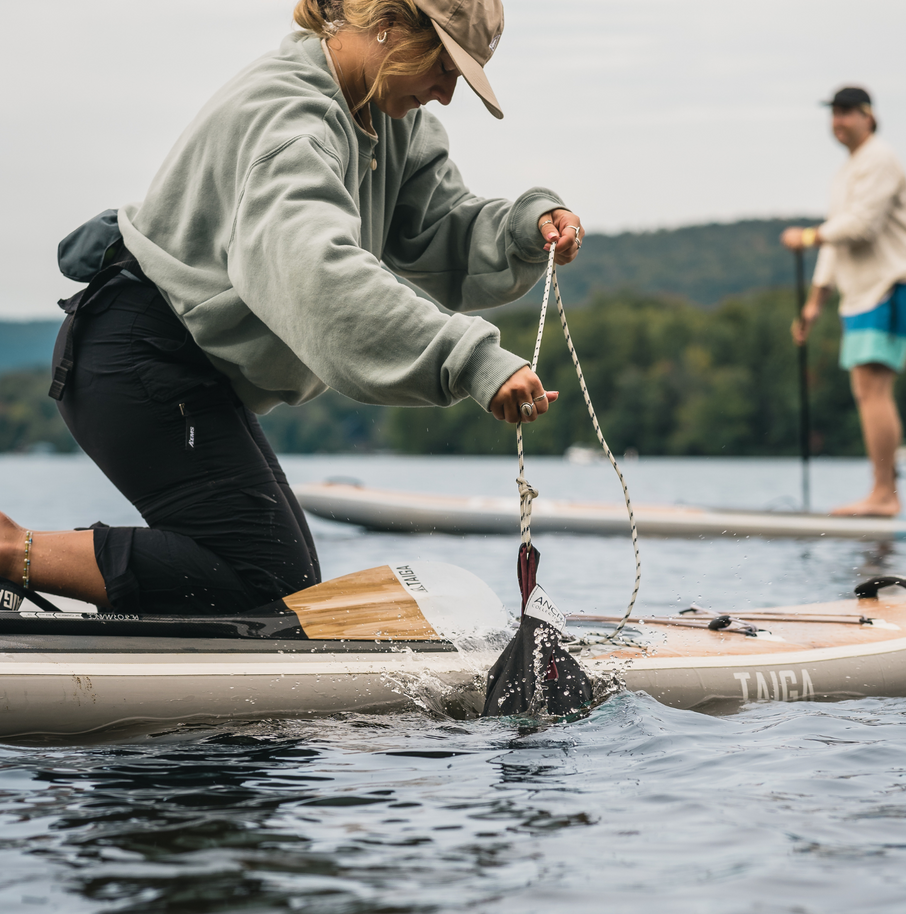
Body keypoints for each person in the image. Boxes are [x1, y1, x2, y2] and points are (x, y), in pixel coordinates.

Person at [0, 0, 584, 613]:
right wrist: (471, 362)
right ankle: (10, 553)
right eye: (443, 65)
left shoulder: (384, 116)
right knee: (264, 577)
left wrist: (524, 228)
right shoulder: (291, 122)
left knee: (279, 580)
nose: (445, 94)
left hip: (172, 367)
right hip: (136, 355)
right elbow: (319, 281)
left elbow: (435, 226)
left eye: (460, 77)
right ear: (387, 24)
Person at [782, 86, 906, 517]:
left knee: (874, 388)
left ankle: (885, 495)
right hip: (862, 293)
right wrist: (813, 304)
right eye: (834, 114)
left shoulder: (880, 159)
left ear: (869, 116)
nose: (838, 121)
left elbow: (860, 227)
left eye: (847, 113)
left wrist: (806, 236)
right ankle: (882, 491)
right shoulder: (846, 171)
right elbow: (837, 242)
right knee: (866, 390)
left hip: (893, 285)